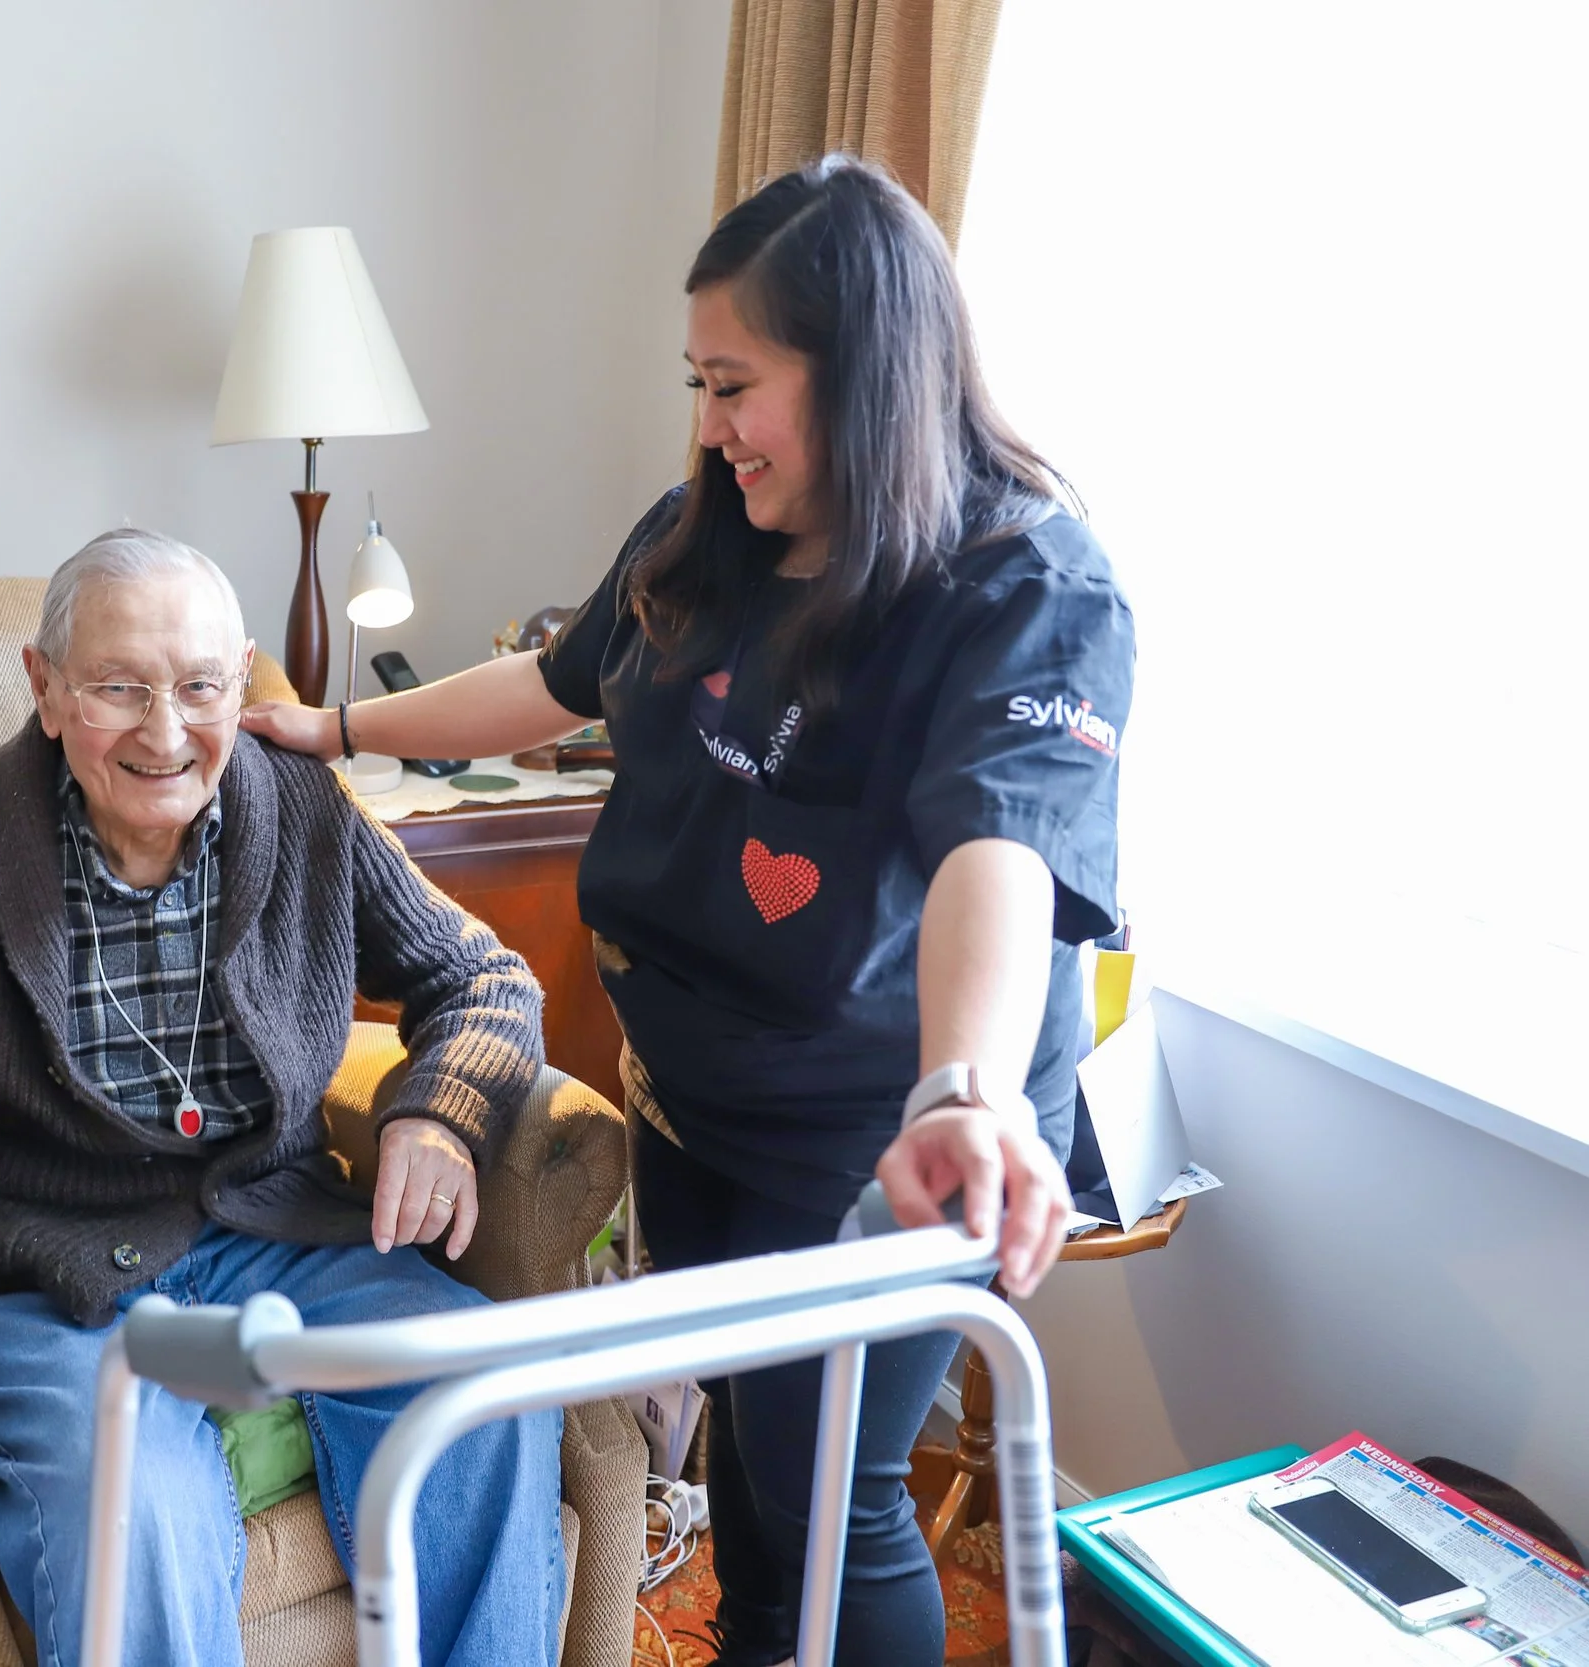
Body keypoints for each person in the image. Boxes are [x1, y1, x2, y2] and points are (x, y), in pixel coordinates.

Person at [243, 155, 1133, 1665]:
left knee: (832, 1486)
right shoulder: (707, 522)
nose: (709, 425)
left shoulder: (1021, 584)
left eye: (735, 386)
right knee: (744, 1443)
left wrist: (967, 1090)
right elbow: (555, 680)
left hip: (877, 1125)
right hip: (699, 1087)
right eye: (697, 384)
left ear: (863, 372)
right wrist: (335, 727)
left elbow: (1000, 848)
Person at [0, 529, 566, 1667]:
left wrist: (442, 1108)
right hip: (51, 1281)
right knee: (135, 1515)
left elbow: (484, 977)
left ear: (240, 680)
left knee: (482, 1391)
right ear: (46, 688)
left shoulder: (302, 807)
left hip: (279, 1237)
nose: (164, 732)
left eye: (199, 686)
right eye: (118, 688)